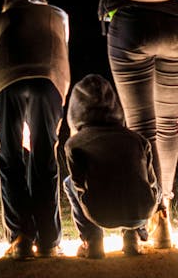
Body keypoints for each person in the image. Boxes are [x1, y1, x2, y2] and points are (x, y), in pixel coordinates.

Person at [83, 0, 178, 249]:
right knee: (171, 124)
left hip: (128, 22)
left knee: (140, 126)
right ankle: (165, 213)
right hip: (176, 22)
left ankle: (144, 218)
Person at [0, 0, 70, 260]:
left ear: (8, 3)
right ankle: (49, 241)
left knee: (10, 156)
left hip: (6, 82)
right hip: (49, 79)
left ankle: (20, 237)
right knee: (44, 155)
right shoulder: (57, 15)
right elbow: (61, 51)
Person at [63, 73, 161, 258]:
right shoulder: (137, 139)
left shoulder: (74, 145)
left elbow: (79, 185)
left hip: (101, 215)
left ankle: (92, 241)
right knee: (145, 180)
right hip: (142, 212)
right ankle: (133, 236)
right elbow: (152, 183)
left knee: (69, 183)